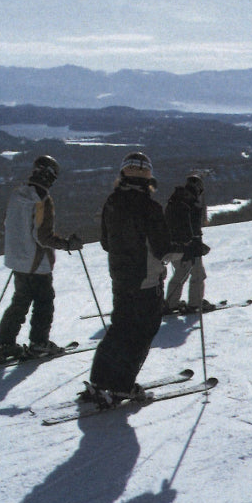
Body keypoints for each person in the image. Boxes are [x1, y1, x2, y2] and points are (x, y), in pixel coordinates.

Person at [84, 151, 173, 406]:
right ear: (148, 177)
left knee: (119, 328)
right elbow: (162, 248)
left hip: (121, 277)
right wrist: (188, 249)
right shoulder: (150, 207)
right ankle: (121, 387)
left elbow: (104, 242)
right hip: (146, 280)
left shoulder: (112, 202)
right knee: (142, 332)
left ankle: (99, 382)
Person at [0, 155, 83, 363]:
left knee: (20, 301)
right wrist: (67, 244)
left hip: (17, 259)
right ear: (50, 176)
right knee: (44, 302)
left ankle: (6, 344)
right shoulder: (43, 200)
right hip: (36, 262)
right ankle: (39, 342)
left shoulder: (18, 194)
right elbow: (43, 236)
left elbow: (11, 224)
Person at [163, 173, 213, 313]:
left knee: (181, 273)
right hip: (189, 245)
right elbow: (190, 226)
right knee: (197, 274)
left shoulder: (176, 199)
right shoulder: (190, 201)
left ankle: (171, 303)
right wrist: (195, 242)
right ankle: (194, 303)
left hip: (174, 245)